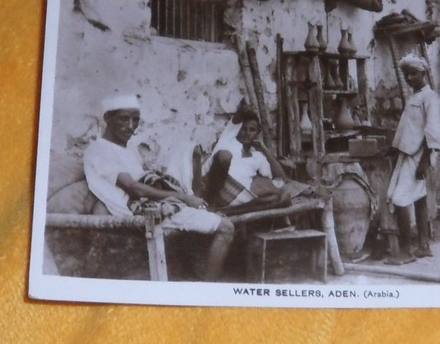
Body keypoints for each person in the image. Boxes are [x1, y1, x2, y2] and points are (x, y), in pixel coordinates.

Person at [83, 94, 235, 280]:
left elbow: (142, 180)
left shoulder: (126, 148)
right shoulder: (100, 151)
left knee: (188, 149)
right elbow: (134, 188)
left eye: (136, 120)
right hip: (141, 211)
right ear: (108, 118)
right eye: (124, 118)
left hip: (151, 202)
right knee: (226, 228)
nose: (131, 126)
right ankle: (207, 292)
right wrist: (184, 198)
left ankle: (203, 211)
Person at [384, 53, 440, 265]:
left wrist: (425, 161)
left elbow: (433, 131)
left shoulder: (430, 98)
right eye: (406, 74)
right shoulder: (414, 97)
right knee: (418, 198)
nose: (410, 78)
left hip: (419, 155)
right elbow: (409, 129)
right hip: (406, 153)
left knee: (400, 199)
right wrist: (393, 149)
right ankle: (424, 246)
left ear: (424, 73)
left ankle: (406, 250)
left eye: (414, 74)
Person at [198, 109, 303, 213]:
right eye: (244, 129)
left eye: (252, 130)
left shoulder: (257, 156)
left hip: (239, 196)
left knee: (283, 196)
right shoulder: (228, 139)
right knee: (225, 156)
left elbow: (281, 179)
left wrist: (264, 149)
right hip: (215, 189)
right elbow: (241, 113)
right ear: (237, 129)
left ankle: (230, 211)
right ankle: (212, 205)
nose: (247, 133)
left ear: (258, 132)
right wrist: (248, 110)